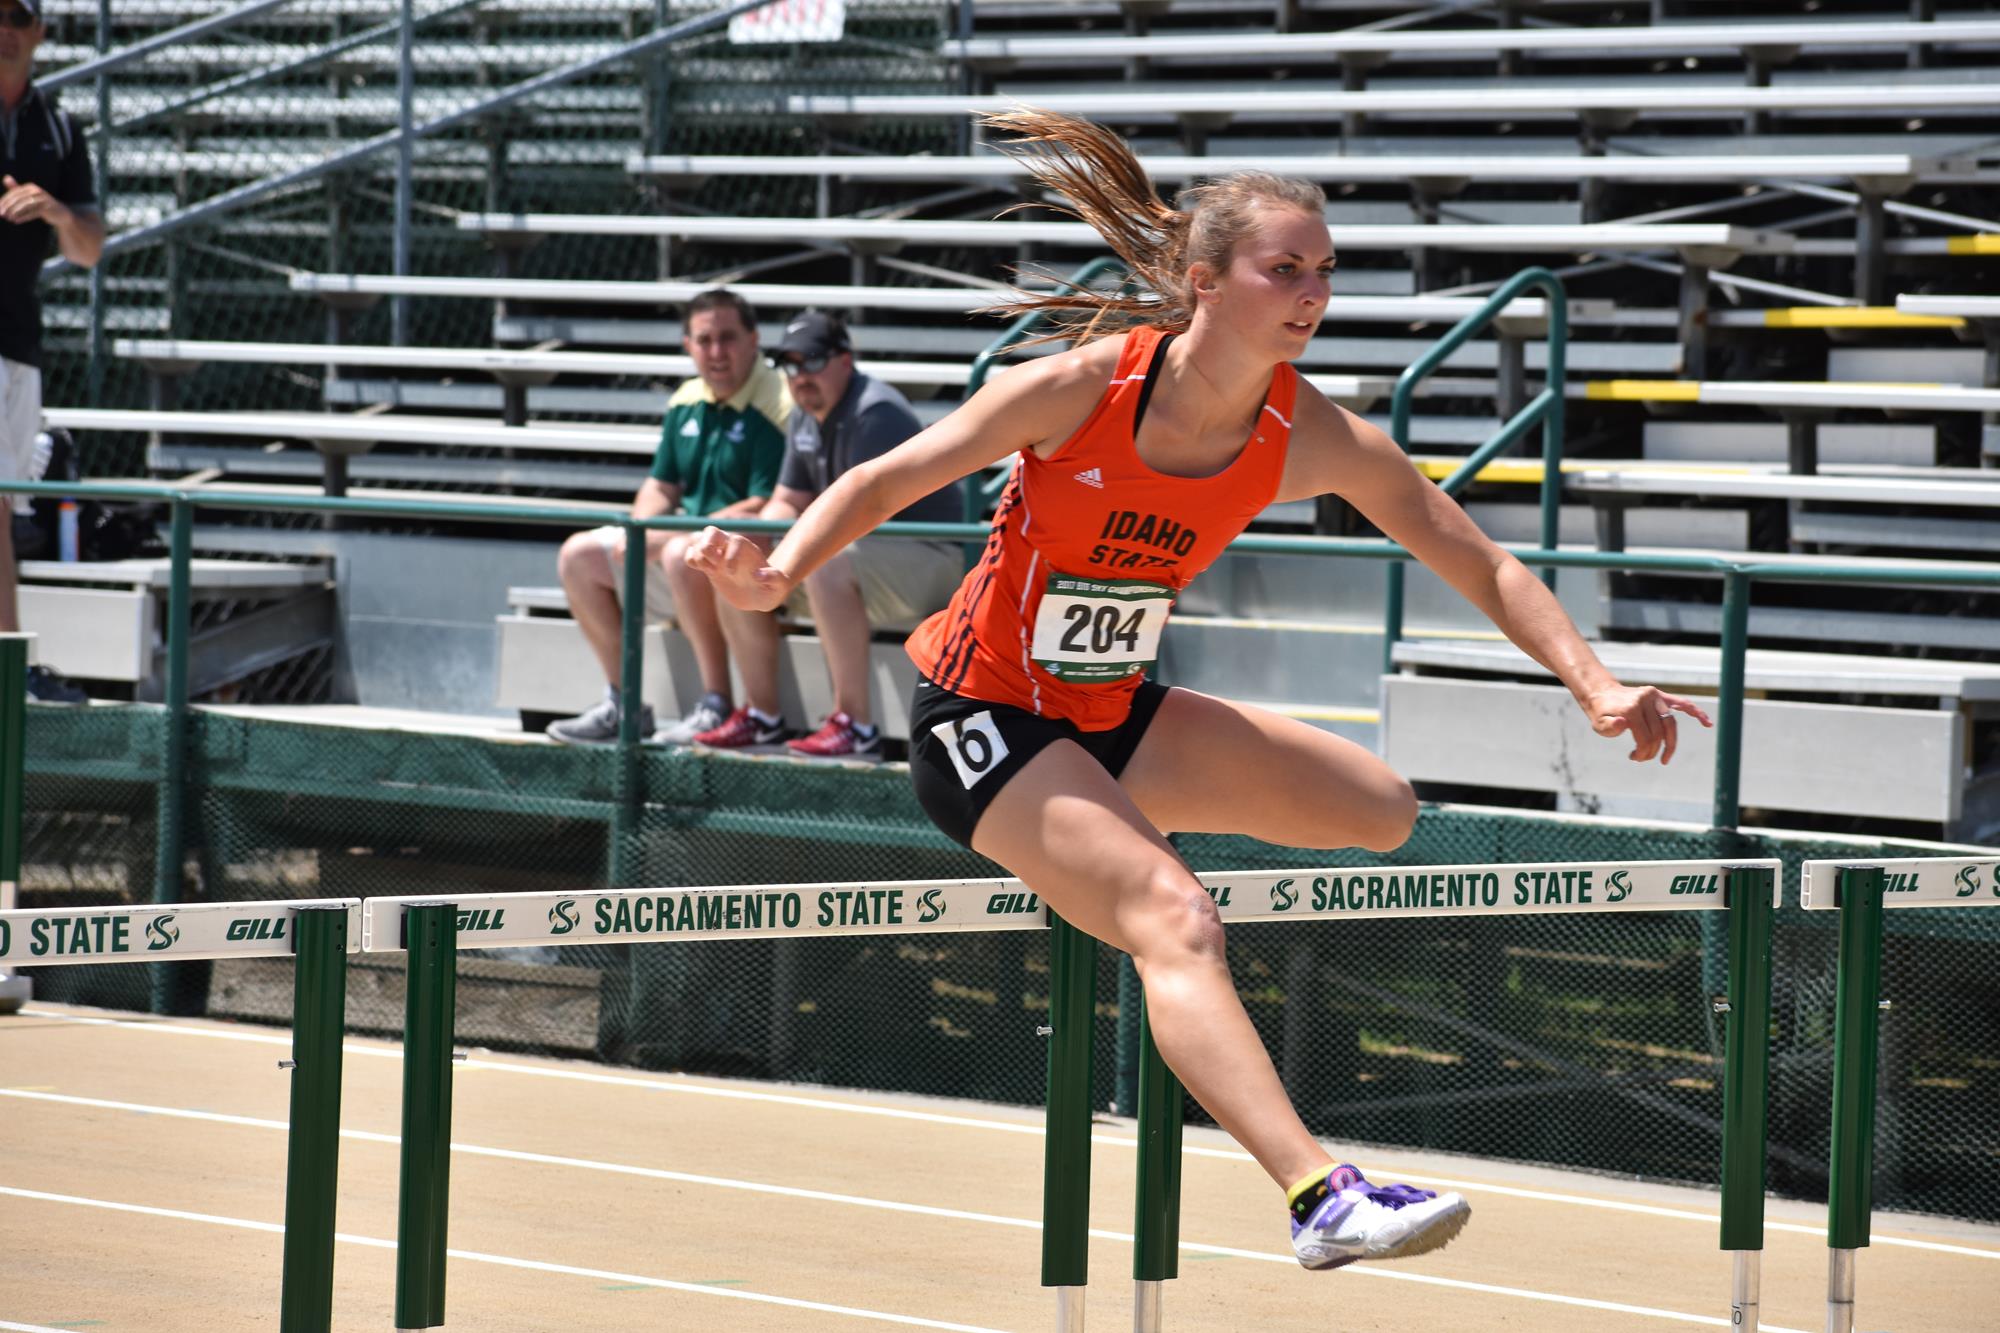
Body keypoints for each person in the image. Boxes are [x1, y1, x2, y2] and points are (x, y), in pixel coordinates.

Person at [687, 110, 1714, 1271]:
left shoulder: (1303, 431)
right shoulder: (1079, 391)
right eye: (1283, 268)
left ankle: (1106, 852)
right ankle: (1316, 1196)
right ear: (1202, 282)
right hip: (981, 718)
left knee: (1378, 809)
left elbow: (1476, 556)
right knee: (1177, 922)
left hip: (1109, 716)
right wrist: (776, 569)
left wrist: (1592, 684)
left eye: (1323, 271)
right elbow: (883, 475)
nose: (1310, 291)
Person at [697, 310, 962, 759]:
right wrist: (757, 543)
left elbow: (864, 512)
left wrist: (791, 547)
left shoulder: (874, 410)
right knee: (735, 559)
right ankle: (762, 717)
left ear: (845, 360)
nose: (800, 376)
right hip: (873, 556)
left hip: (938, 556)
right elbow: (786, 500)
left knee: (828, 561)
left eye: (812, 361)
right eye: (791, 364)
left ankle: (855, 727)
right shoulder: (804, 413)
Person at [546, 288, 790, 745]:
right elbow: (661, 485)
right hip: (692, 547)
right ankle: (624, 703)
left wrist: (673, 534)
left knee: (682, 553)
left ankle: (715, 702)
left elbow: (765, 503)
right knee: (579, 555)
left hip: (749, 559)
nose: (716, 352)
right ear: (688, 346)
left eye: (728, 338)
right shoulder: (685, 400)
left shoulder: (778, 402)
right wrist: (640, 532)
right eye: (704, 340)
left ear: (754, 340)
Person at [2, 0, 101, 704]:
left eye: (17, 13)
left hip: (17, 346)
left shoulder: (60, 128)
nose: (3, 26)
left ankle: (10, 666)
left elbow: (89, 250)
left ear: (40, 30)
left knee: (4, 508)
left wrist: (57, 211)